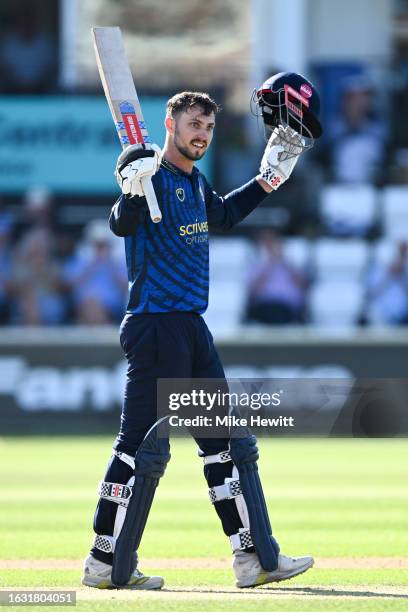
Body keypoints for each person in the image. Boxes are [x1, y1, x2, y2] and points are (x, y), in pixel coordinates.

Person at [82, 73, 323, 590]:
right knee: (139, 449)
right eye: (194, 125)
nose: (202, 135)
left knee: (226, 444)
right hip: (154, 326)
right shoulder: (148, 176)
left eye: (209, 127)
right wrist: (129, 186)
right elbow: (121, 223)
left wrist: (268, 178)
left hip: (191, 326)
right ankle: (105, 562)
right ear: (170, 125)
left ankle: (254, 559)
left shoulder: (193, 183)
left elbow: (226, 216)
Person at [246, 230, 309, 324]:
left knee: (280, 313)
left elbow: (304, 286)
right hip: (264, 306)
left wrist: (284, 262)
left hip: (288, 307)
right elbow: (252, 292)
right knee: (271, 313)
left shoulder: (291, 264)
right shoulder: (256, 265)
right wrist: (270, 263)